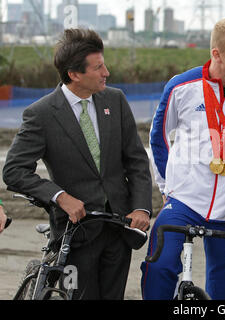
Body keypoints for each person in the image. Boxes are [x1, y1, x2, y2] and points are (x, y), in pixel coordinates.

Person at [2, 29, 152, 300]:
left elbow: (137, 160)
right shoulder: (41, 114)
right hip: (75, 232)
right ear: (74, 74)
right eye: (98, 67)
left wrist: (141, 206)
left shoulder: (115, 100)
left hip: (119, 228)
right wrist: (60, 197)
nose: (106, 72)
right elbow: (13, 171)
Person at [141, 17, 225, 300]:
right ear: (216, 53)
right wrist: (169, 189)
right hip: (184, 201)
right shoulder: (181, 86)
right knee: (158, 266)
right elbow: (159, 139)